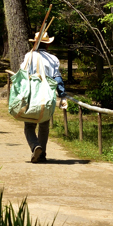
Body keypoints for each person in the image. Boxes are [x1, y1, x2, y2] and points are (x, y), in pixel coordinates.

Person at [20, 30, 66, 163]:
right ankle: (42, 154)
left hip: (31, 95)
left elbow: (22, 74)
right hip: (47, 96)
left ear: (35, 43)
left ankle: (35, 146)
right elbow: (58, 79)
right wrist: (63, 96)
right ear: (47, 45)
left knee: (29, 126)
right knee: (44, 125)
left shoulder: (28, 56)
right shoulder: (53, 59)